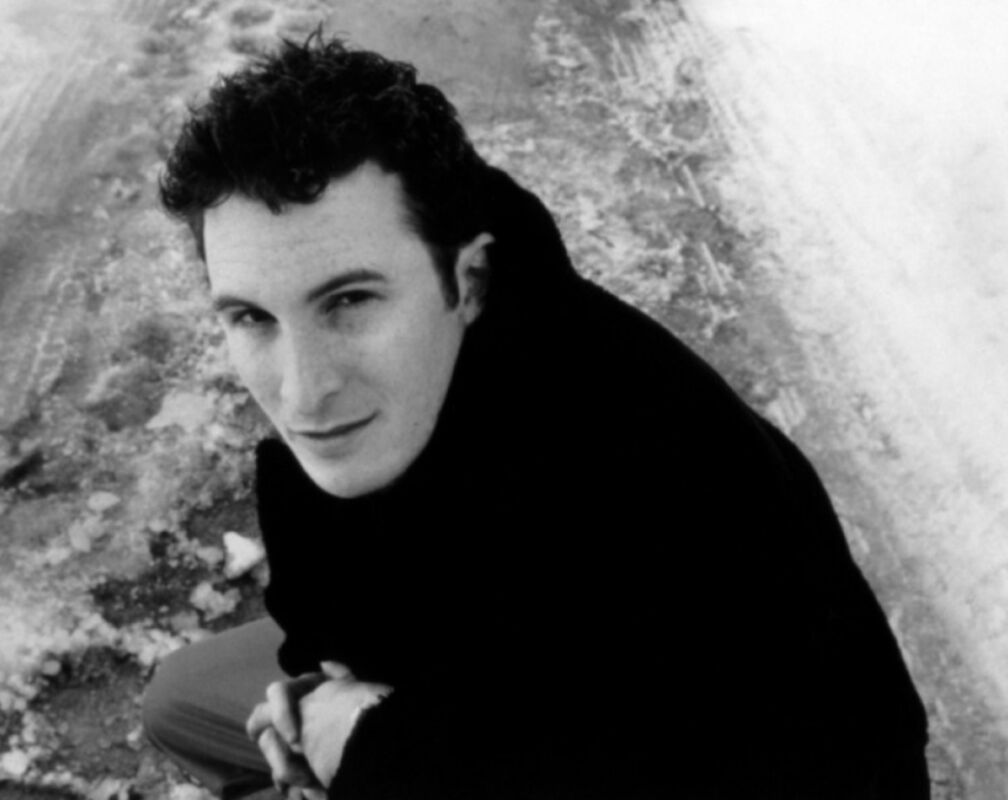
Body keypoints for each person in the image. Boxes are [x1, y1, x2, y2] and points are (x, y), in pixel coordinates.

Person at [141, 33, 931, 799]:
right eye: (252, 317)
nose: (302, 390)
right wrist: (319, 700)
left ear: (470, 279)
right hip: (476, 698)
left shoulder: (660, 495)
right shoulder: (397, 386)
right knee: (179, 702)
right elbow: (332, 614)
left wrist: (379, 751)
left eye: (349, 301)